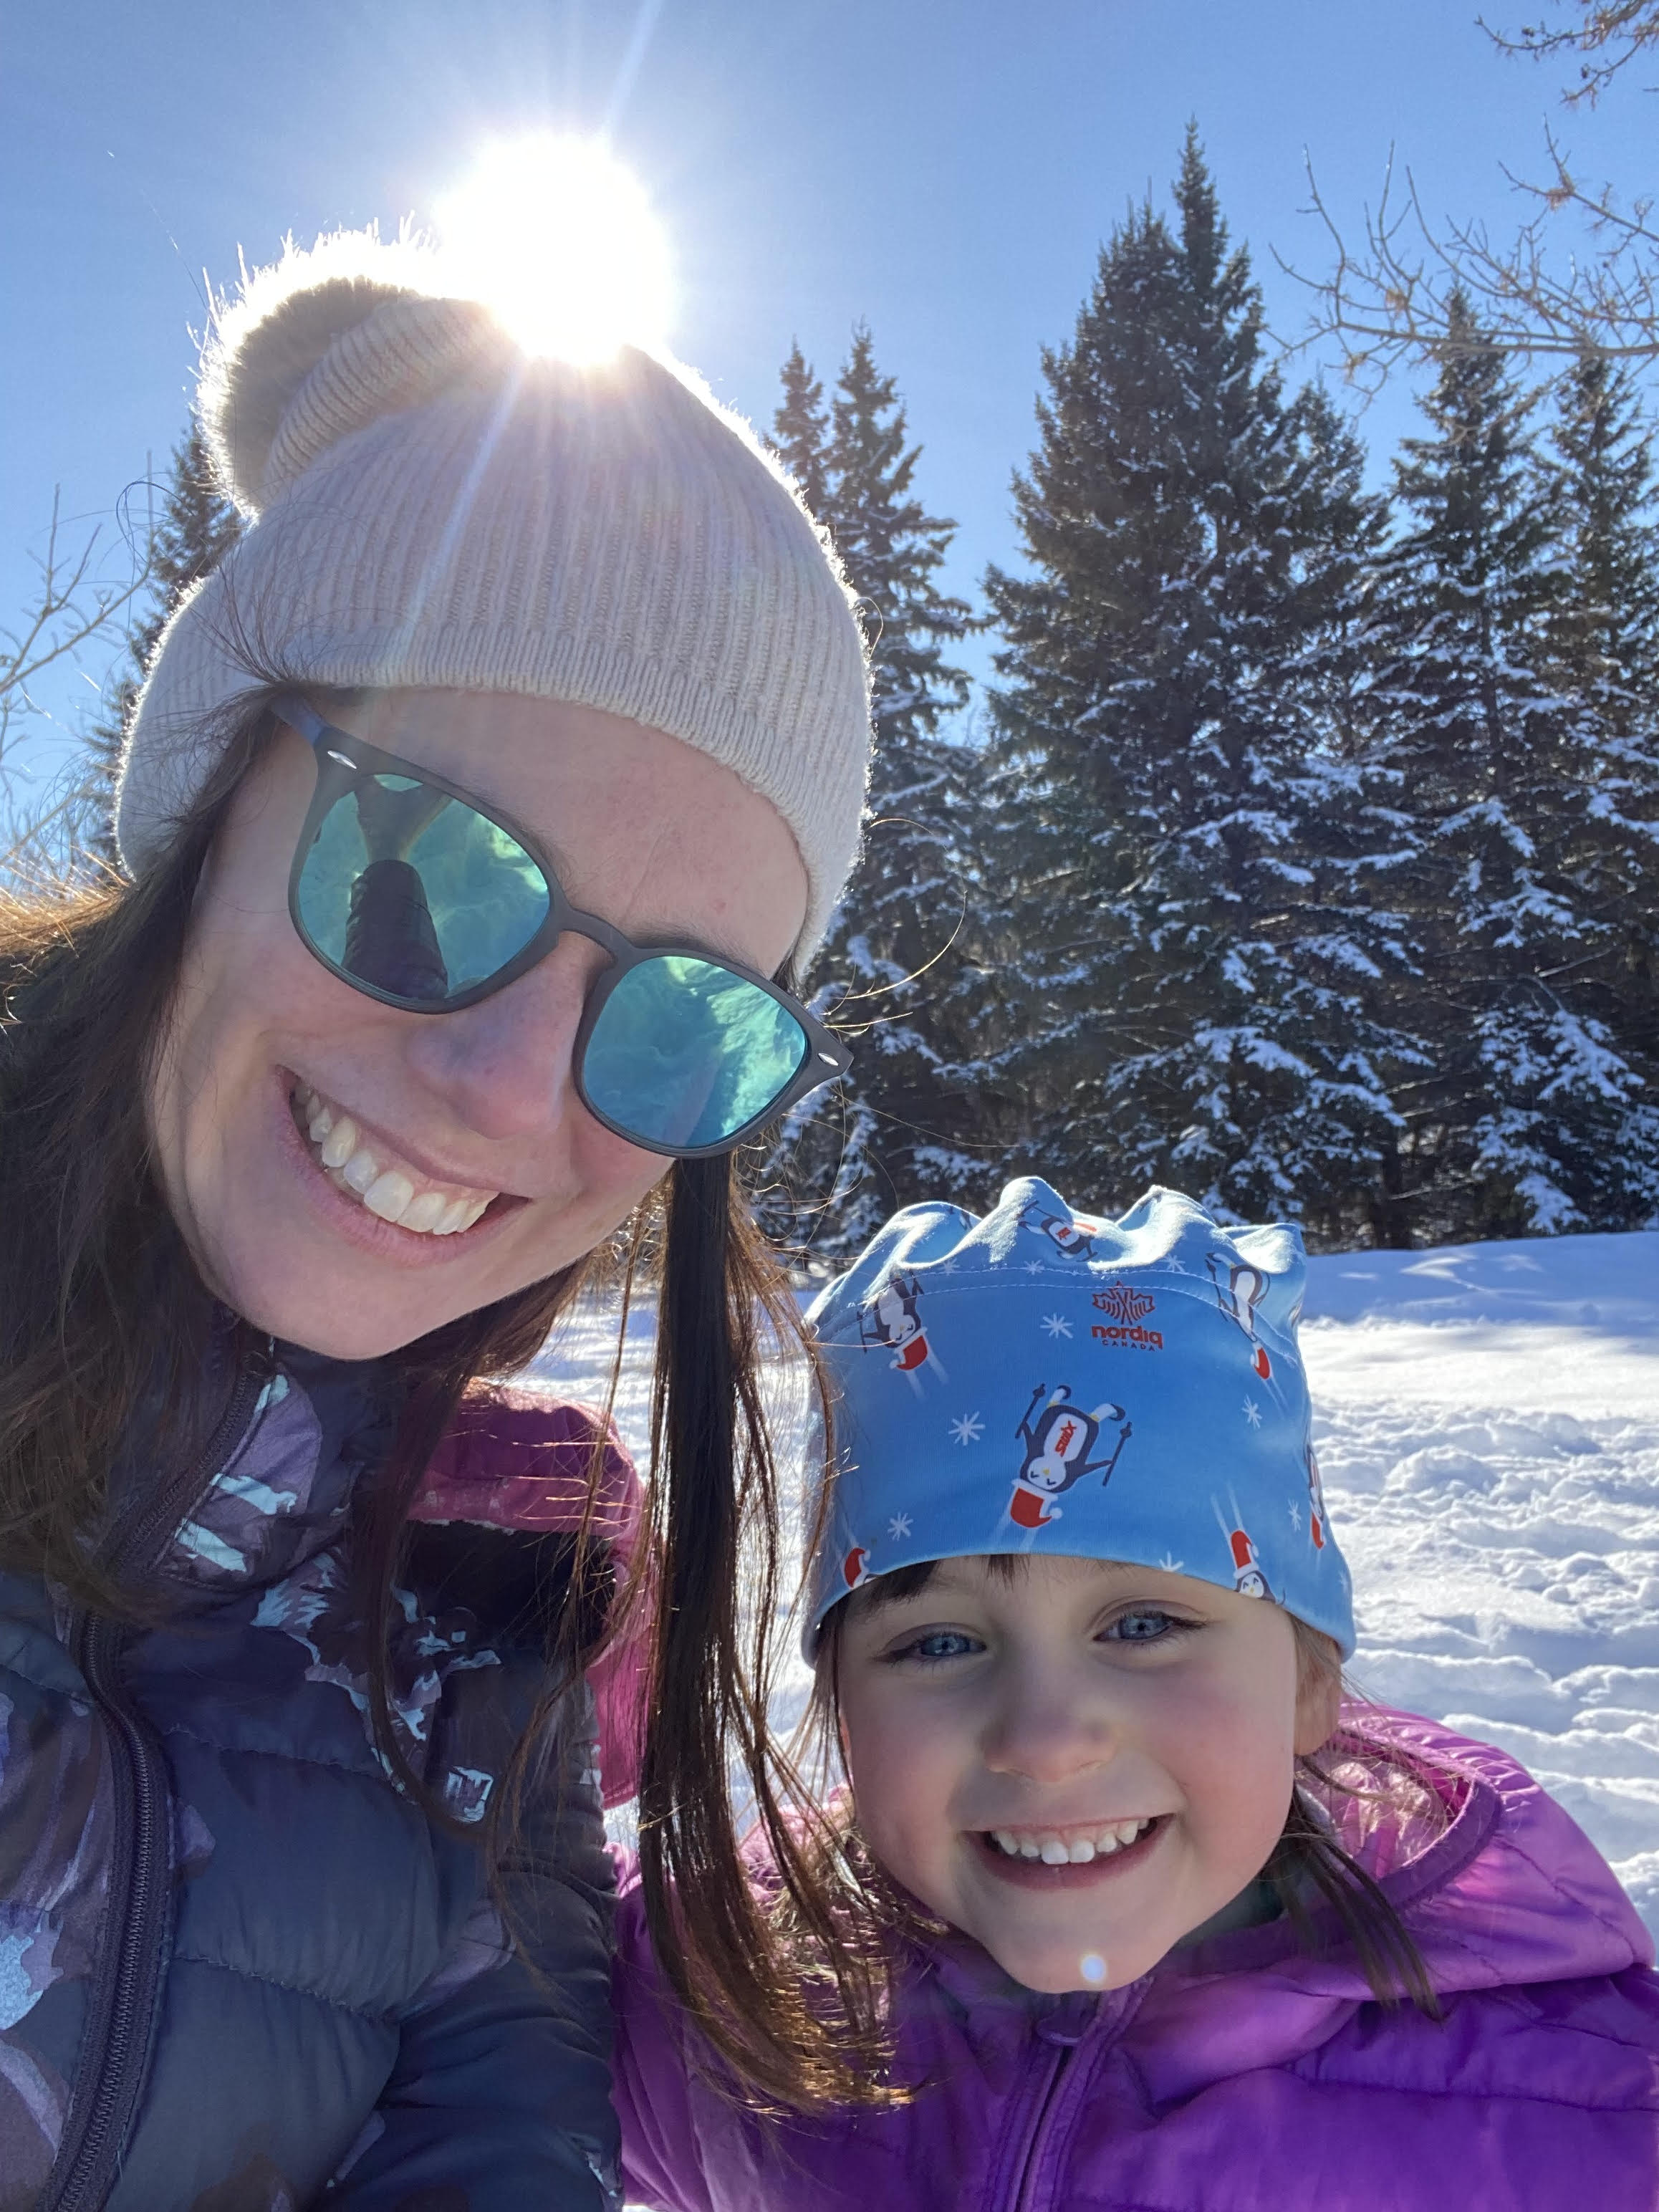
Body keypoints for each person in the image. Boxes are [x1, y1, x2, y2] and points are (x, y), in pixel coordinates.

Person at [0, 228, 874, 2209]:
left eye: (681, 1019)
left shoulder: (489, 1618)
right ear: (209, 806)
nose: (508, 1087)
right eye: (423, 871)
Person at [610, 1178, 1659, 2210]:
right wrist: (541, 1631)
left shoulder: (1583, 2114)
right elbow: (519, 1977)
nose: (1046, 1740)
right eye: (938, 1643)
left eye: (1145, 1626)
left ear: (1310, 1682)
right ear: (843, 1701)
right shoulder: (734, 2005)